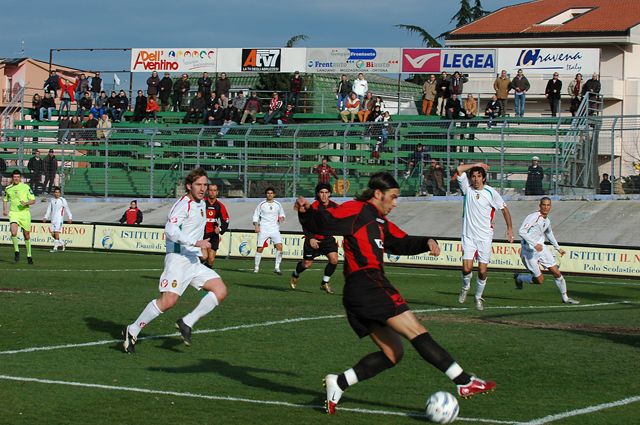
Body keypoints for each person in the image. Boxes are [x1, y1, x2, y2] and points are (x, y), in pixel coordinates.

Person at [294, 172, 496, 415]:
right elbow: (325, 221)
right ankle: (464, 382)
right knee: (416, 330)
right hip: (368, 284)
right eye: (393, 197)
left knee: (393, 353)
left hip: (360, 292)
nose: (395, 203)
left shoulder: (379, 221)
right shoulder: (358, 210)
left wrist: (426, 242)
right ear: (378, 194)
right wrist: (305, 212)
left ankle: (339, 382)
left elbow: (399, 242)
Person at [122, 168, 228, 353]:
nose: (202, 188)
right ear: (189, 186)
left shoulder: (201, 204)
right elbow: (171, 230)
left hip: (192, 260)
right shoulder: (183, 205)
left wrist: (200, 249)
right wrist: (195, 243)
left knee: (220, 290)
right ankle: (132, 329)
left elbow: (192, 229)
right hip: (178, 259)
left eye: (205, 185)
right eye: (198, 185)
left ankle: (187, 322)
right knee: (168, 301)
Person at [456, 162, 514, 310]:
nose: (475, 179)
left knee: (482, 270)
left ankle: (478, 297)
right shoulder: (467, 189)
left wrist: (510, 228)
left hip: (485, 237)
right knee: (466, 269)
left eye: (478, 176)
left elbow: (504, 209)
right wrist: (476, 164)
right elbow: (459, 169)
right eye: (473, 176)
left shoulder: (491, 193)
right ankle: (465, 287)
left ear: (484, 178)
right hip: (468, 235)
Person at [514, 197, 579, 304]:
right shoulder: (533, 217)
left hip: (542, 249)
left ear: (550, 207)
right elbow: (521, 231)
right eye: (543, 205)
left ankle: (565, 298)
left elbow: (549, 233)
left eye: (548, 205)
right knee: (540, 280)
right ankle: (519, 278)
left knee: (556, 272)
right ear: (540, 206)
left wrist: (558, 248)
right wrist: (534, 244)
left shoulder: (547, 220)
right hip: (529, 252)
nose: (546, 207)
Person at [291, 183, 340, 294]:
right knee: (306, 264)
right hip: (313, 240)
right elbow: (306, 224)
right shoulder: (313, 207)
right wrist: (311, 238)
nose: (324, 195)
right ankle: (295, 274)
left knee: (334, 259)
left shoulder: (335, 207)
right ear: (318, 194)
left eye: (326, 192)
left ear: (330, 194)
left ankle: (324, 282)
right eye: (321, 192)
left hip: (327, 239)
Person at [3, 170, 36, 264]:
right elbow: (5, 199)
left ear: (20, 178)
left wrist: (26, 203)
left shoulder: (26, 187)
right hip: (14, 213)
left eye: (18, 177)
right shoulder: (8, 188)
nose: (16, 178)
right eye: (14, 177)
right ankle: (16, 251)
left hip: (24, 213)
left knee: (27, 235)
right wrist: (4, 210)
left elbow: (33, 200)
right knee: (13, 232)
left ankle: (29, 255)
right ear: (12, 178)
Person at [252, 187, 285, 275]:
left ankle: (277, 267)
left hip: (274, 229)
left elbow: (282, 215)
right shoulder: (262, 204)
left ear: (274, 195)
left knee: (279, 247)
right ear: (266, 194)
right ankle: (256, 268)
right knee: (260, 248)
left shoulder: (278, 204)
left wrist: (281, 218)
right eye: (268, 193)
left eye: (271, 193)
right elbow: (255, 216)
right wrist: (256, 226)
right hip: (264, 228)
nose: (269, 194)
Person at [203, 183, 230, 268]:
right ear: (207, 191)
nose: (212, 192)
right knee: (204, 256)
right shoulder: (201, 203)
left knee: (211, 259)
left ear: (217, 192)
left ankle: (203, 274)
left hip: (213, 234)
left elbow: (226, 220)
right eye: (210, 190)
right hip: (201, 233)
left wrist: (221, 229)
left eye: (214, 190)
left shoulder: (220, 206)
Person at [43, 186, 72, 252]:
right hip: (53, 219)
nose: (57, 194)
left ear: (60, 193)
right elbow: (49, 209)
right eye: (56, 192)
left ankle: (55, 248)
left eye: (58, 192)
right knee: (53, 234)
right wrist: (46, 217)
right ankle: (62, 243)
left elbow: (67, 208)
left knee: (56, 232)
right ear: (54, 193)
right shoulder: (52, 200)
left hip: (59, 219)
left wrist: (70, 217)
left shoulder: (62, 200)